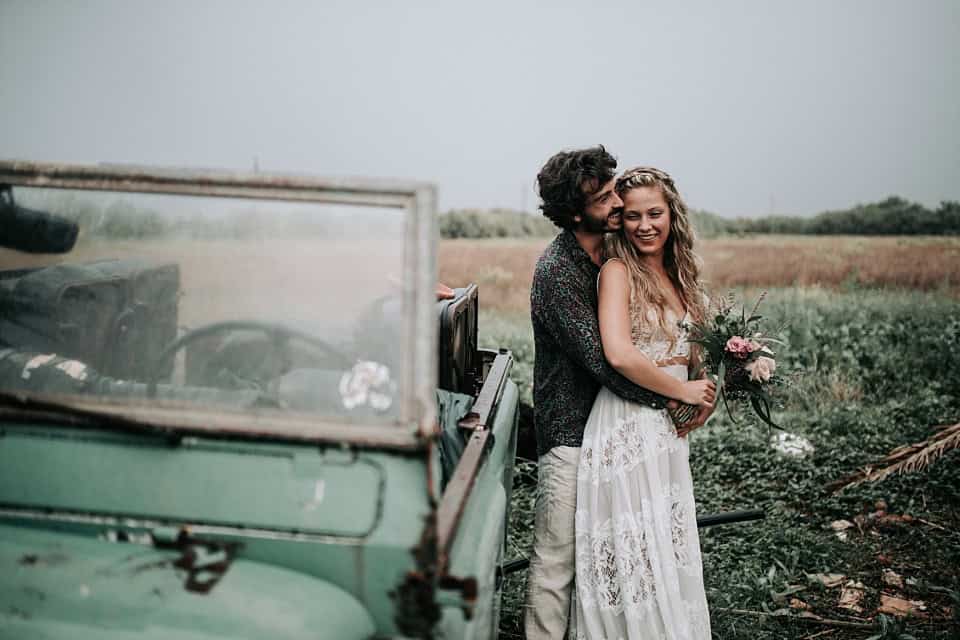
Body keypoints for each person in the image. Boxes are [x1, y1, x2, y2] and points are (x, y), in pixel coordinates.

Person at [524, 147, 714, 639]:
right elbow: (606, 359)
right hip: (570, 430)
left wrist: (700, 387)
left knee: (622, 546)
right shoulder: (558, 273)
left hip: (622, 423)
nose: (617, 202)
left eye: (614, 192)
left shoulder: (614, 253)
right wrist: (677, 397)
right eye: (605, 197)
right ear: (573, 212)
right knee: (558, 558)